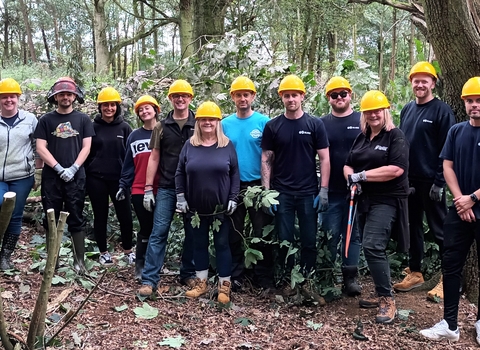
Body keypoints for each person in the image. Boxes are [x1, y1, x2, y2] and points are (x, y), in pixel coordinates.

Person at [419, 77, 480, 343]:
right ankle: (450, 324)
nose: (474, 106)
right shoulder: (456, 131)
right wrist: (460, 199)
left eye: (478, 101)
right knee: (451, 265)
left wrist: (473, 198)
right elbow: (447, 166)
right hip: (459, 211)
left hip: (476, 206)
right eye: (470, 101)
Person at [261, 74, 330, 302]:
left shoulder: (314, 124)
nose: (291, 99)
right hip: (282, 193)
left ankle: (308, 281)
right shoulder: (273, 126)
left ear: (302, 96)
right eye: (287, 95)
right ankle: (291, 281)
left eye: (295, 95)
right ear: (282, 97)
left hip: (308, 192)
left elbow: (325, 159)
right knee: (285, 239)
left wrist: (324, 190)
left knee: (309, 240)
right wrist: (267, 192)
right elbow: (266, 159)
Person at [344, 90, 409, 324]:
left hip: (388, 199)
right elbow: (348, 164)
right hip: (364, 200)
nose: (373, 115)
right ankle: (382, 291)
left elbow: (395, 169)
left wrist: (360, 177)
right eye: (369, 111)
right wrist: (350, 179)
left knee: (372, 245)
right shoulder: (361, 137)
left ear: (385, 112)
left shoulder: (395, 136)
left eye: (377, 110)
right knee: (369, 247)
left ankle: (387, 299)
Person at [395, 61, 455, 300]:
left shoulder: (442, 111)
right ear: (411, 83)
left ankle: (447, 278)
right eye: (416, 80)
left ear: (433, 83)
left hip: (432, 182)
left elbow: (447, 149)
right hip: (410, 181)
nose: (420, 84)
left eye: (424, 80)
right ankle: (416, 272)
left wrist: (440, 182)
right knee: (413, 228)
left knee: (440, 230)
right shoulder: (408, 109)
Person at [175, 101, 240, 304]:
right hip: (195, 209)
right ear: (198, 122)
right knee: (199, 244)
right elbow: (179, 173)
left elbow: (235, 173)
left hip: (221, 209)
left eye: (211, 119)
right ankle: (201, 283)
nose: (207, 123)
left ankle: (224, 286)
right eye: (203, 119)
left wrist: (233, 198)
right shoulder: (190, 145)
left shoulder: (226, 145)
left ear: (218, 122)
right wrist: (180, 197)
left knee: (222, 244)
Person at [138, 80, 196, 297]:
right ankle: (149, 279)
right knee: (159, 232)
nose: (180, 99)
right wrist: (147, 188)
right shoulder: (161, 126)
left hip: (193, 189)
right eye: (176, 96)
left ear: (190, 98)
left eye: (184, 96)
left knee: (192, 232)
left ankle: (188, 273)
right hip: (166, 188)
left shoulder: (199, 123)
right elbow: (154, 157)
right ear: (170, 99)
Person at [34, 77, 95, 273]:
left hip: (76, 178)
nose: (65, 97)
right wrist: (59, 168)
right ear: (55, 97)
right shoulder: (46, 120)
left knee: (76, 218)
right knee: (50, 218)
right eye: (62, 94)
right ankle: (53, 261)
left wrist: (74, 168)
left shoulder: (83, 119)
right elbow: (40, 147)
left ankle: (80, 262)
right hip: (52, 178)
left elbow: (87, 147)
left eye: (69, 94)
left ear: (74, 96)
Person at [221, 76, 274, 291]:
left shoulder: (263, 122)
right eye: (238, 95)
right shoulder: (224, 124)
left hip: (258, 185)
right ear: (232, 97)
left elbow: (270, 156)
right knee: (234, 232)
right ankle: (236, 276)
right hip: (234, 186)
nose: (242, 98)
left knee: (261, 232)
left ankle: (265, 279)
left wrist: (267, 189)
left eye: (246, 94)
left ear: (253, 96)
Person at [320, 76, 362, 296]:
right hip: (332, 189)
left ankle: (350, 278)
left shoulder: (362, 119)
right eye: (334, 95)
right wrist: (321, 189)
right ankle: (326, 276)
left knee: (352, 235)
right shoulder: (322, 123)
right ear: (329, 98)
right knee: (329, 233)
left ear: (350, 95)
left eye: (343, 94)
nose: (339, 98)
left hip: (357, 190)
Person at [84, 87, 133, 266]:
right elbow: (86, 151)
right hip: (96, 178)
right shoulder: (92, 126)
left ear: (117, 106)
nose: (109, 108)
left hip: (119, 179)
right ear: (100, 107)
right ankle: (103, 252)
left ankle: (128, 250)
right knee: (100, 215)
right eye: (105, 105)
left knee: (125, 216)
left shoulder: (125, 127)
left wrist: (128, 178)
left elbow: (131, 154)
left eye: (112, 105)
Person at [0, 78, 42, 270]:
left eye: (12, 96)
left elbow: (38, 146)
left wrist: (38, 172)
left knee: (16, 215)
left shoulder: (30, 119)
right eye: (4, 97)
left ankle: (5, 256)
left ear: (18, 98)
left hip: (22, 176)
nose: (9, 100)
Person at [117, 95, 160, 281]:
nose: (144, 111)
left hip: (162, 189)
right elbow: (128, 164)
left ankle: (155, 264)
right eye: (140, 110)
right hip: (138, 189)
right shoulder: (134, 136)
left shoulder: (165, 131)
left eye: (147, 108)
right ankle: (140, 265)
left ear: (156, 110)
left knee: (159, 229)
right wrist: (122, 185)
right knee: (146, 226)